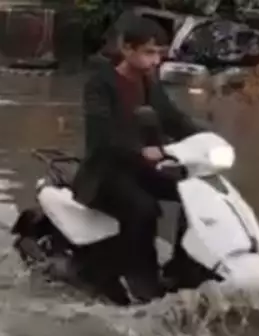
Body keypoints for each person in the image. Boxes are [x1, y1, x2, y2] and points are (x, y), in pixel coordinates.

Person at [72, 14, 203, 303]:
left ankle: (183, 266)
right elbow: (102, 134)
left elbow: (172, 118)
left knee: (194, 191)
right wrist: (140, 149)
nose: (155, 60)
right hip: (106, 172)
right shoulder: (99, 85)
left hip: (142, 168)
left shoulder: (148, 82)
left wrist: (205, 139)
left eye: (158, 53)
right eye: (148, 52)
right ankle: (140, 278)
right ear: (127, 49)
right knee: (145, 209)